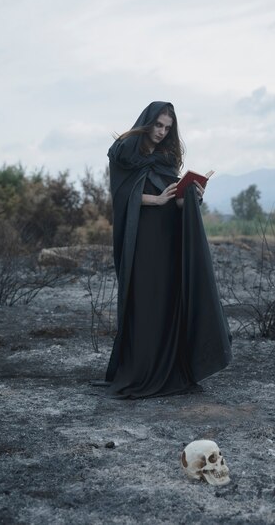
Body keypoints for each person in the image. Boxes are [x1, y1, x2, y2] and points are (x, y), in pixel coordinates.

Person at [102, 101, 232, 398]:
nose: (161, 132)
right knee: (144, 301)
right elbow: (121, 198)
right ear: (147, 122)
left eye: (167, 128)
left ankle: (171, 368)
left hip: (167, 238)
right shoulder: (123, 151)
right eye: (158, 125)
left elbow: (175, 201)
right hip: (141, 238)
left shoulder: (167, 157)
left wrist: (191, 196)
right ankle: (141, 369)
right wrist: (156, 200)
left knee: (167, 299)